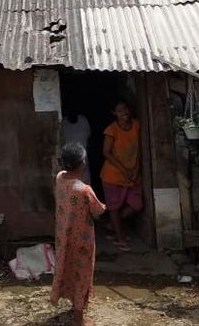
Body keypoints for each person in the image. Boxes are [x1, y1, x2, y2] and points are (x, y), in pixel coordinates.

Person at [52, 142, 106, 326]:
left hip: (62, 237)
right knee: (82, 273)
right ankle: (78, 319)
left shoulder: (60, 178)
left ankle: (71, 301)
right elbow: (98, 211)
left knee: (66, 267)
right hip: (82, 241)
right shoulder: (84, 190)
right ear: (82, 163)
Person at [100, 99, 142, 252]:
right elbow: (106, 152)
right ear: (114, 114)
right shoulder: (111, 130)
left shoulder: (136, 125)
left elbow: (140, 150)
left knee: (137, 204)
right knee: (114, 208)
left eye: (125, 109)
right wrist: (124, 170)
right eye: (119, 111)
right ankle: (120, 238)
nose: (124, 113)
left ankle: (113, 225)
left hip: (132, 173)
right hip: (112, 175)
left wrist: (136, 169)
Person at [62, 109, 92, 184]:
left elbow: (88, 138)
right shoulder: (63, 123)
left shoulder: (83, 121)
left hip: (83, 160)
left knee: (84, 185)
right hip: (70, 162)